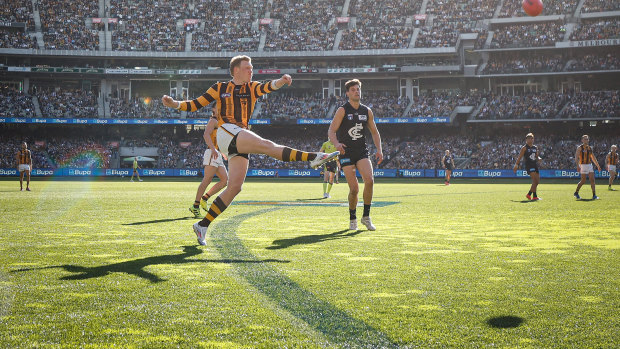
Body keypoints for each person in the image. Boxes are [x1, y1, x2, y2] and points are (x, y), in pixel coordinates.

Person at [162, 55, 338, 245]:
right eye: (248, 67)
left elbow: (268, 86)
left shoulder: (252, 87)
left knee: (235, 187)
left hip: (239, 138)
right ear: (236, 70)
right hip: (226, 131)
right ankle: (313, 157)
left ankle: (202, 225)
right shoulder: (220, 87)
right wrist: (174, 104)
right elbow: (195, 104)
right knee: (267, 146)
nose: (251, 70)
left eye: (251, 67)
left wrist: (281, 81)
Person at [328, 79, 383, 231]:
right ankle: (352, 218)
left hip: (361, 151)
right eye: (352, 90)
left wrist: (379, 149)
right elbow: (331, 131)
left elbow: (375, 132)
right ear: (347, 93)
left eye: (358, 89)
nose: (356, 91)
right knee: (354, 189)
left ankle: (366, 217)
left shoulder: (367, 111)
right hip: (346, 152)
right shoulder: (342, 110)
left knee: (370, 181)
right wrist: (337, 144)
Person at [189, 128, 228, 218]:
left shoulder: (221, 121)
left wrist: (222, 152)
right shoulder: (214, 119)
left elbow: (218, 139)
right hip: (212, 152)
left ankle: (205, 198)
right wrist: (213, 149)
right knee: (207, 179)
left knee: (225, 180)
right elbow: (206, 134)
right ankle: (195, 206)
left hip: (217, 153)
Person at [513, 133, 541, 200]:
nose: (530, 140)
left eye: (531, 138)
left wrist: (539, 158)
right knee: (534, 180)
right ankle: (532, 195)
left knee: (537, 182)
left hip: (535, 165)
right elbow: (519, 157)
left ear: (533, 139)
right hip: (529, 165)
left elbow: (537, 156)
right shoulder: (524, 148)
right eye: (528, 138)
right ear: (526, 140)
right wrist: (516, 165)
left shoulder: (535, 147)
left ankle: (532, 196)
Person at [574, 135, 601, 200]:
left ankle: (594, 195)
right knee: (583, 181)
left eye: (587, 139)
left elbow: (593, 157)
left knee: (592, 179)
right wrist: (577, 166)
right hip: (582, 165)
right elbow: (576, 157)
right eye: (585, 139)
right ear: (582, 140)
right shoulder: (579, 148)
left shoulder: (589, 148)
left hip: (589, 165)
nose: (586, 140)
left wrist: (598, 165)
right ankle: (576, 192)